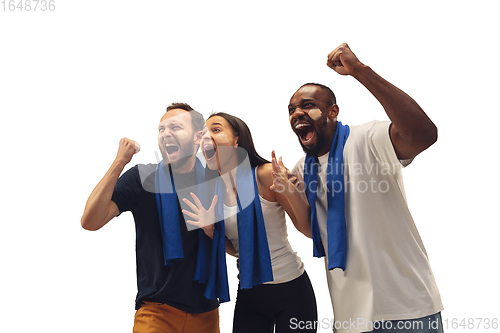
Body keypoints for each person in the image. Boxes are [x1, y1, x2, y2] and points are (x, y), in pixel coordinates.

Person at [289, 43, 444, 333]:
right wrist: (289, 195)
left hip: (406, 310)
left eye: (308, 105)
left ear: (332, 111)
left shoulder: (368, 138)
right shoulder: (302, 169)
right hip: (350, 319)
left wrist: (360, 71)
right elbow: (320, 230)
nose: (297, 112)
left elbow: (424, 134)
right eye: (292, 109)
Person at [80, 103, 220, 333]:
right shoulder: (142, 177)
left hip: (207, 314)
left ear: (197, 137)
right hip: (157, 313)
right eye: (161, 129)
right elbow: (90, 221)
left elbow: (239, 246)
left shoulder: (214, 181)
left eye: (175, 127)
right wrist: (119, 162)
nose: (166, 134)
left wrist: (212, 230)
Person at [183, 112, 318, 333]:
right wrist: (210, 231)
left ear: (237, 140)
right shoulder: (212, 191)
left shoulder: (265, 175)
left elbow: (308, 229)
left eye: (216, 129)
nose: (207, 137)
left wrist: (293, 193)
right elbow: (238, 249)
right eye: (204, 134)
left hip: (292, 290)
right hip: (250, 294)